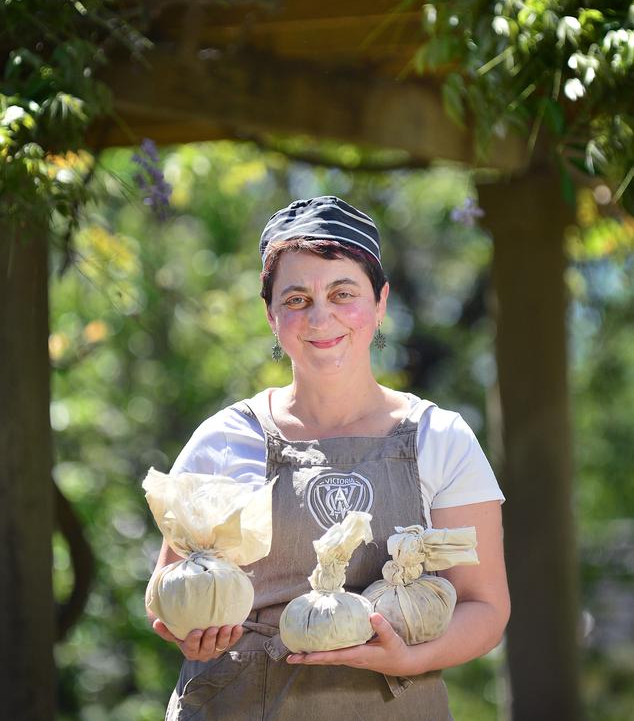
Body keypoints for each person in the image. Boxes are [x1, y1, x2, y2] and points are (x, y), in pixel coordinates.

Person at [147, 196, 510, 721]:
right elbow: (167, 589)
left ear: (381, 302)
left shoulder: (441, 438)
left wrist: (410, 657)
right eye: (296, 299)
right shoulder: (225, 440)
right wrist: (190, 635)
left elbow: (485, 606)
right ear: (271, 315)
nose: (321, 317)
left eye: (344, 293)